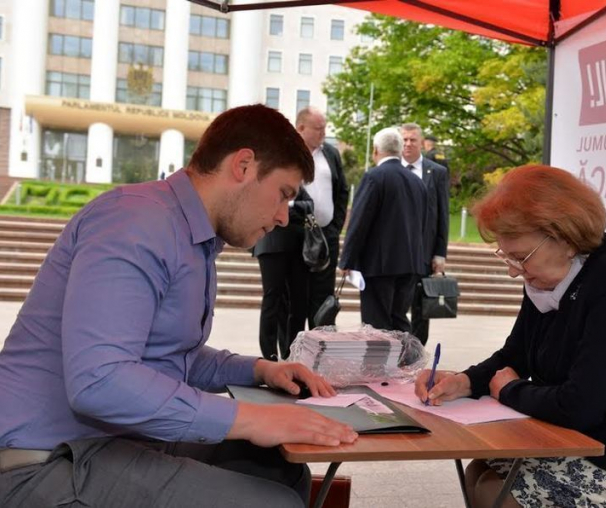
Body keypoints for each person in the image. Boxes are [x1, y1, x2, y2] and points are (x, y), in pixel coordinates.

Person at [0, 104, 358, 508]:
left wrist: (260, 370)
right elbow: (100, 381)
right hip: (39, 460)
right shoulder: (135, 223)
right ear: (243, 165)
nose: (281, 217)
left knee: (280, 470)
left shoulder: (191, 236)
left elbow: (168, 355)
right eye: (283, 195)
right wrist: (251, 418)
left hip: (107, 440)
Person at [415, 165, 606, 507]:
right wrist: (465, 381)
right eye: (507, 256)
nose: (512, 271)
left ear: (563, 237)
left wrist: (510, 390)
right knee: (483, 472)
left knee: (498, 495)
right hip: (598, 441)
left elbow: (580, 406)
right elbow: (515, 355)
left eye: (520, 258)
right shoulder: (549, 276)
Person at [339, 127, 426, 332]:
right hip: (410, 263)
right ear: (399, 150)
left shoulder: (374, 177)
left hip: (379, 265)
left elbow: (359, 221)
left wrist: (346, 260)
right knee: (399, 319)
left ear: (375, 150)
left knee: (376, 323)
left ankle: (381, 365)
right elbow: (422, 224)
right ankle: (405, 363)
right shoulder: (417, 182)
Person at [295, 107, 349, 328]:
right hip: (297, 235)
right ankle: (293, 353)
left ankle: (321, 347)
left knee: (324, 297)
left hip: (326, 235)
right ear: (301, 128)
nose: (323, 133)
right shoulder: (289, 153)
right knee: (297, 296)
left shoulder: (330, 153)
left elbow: (342, 191)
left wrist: (335, 227)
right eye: (318, 129)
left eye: (324, 128)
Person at [252, 187, 315, 360]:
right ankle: (269, 355)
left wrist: (291, 205)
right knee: (272, 299)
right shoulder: (267, 182)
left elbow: (309, 205)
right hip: (271, 246)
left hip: (296, 249)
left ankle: (291, 351)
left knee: (298, 303)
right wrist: (294, 211)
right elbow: (267, 210)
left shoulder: (295, 186)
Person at [400, 123, 449, 345]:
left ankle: (415, 359)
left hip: (424, 254)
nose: (408, 144)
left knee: (421, 313)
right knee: (397, 310)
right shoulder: (392, 170)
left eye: (412, 140)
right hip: (396, 255)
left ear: (421, 143)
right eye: (404, 139)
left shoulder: (436, 172)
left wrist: (440, 253)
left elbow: (442, 215)